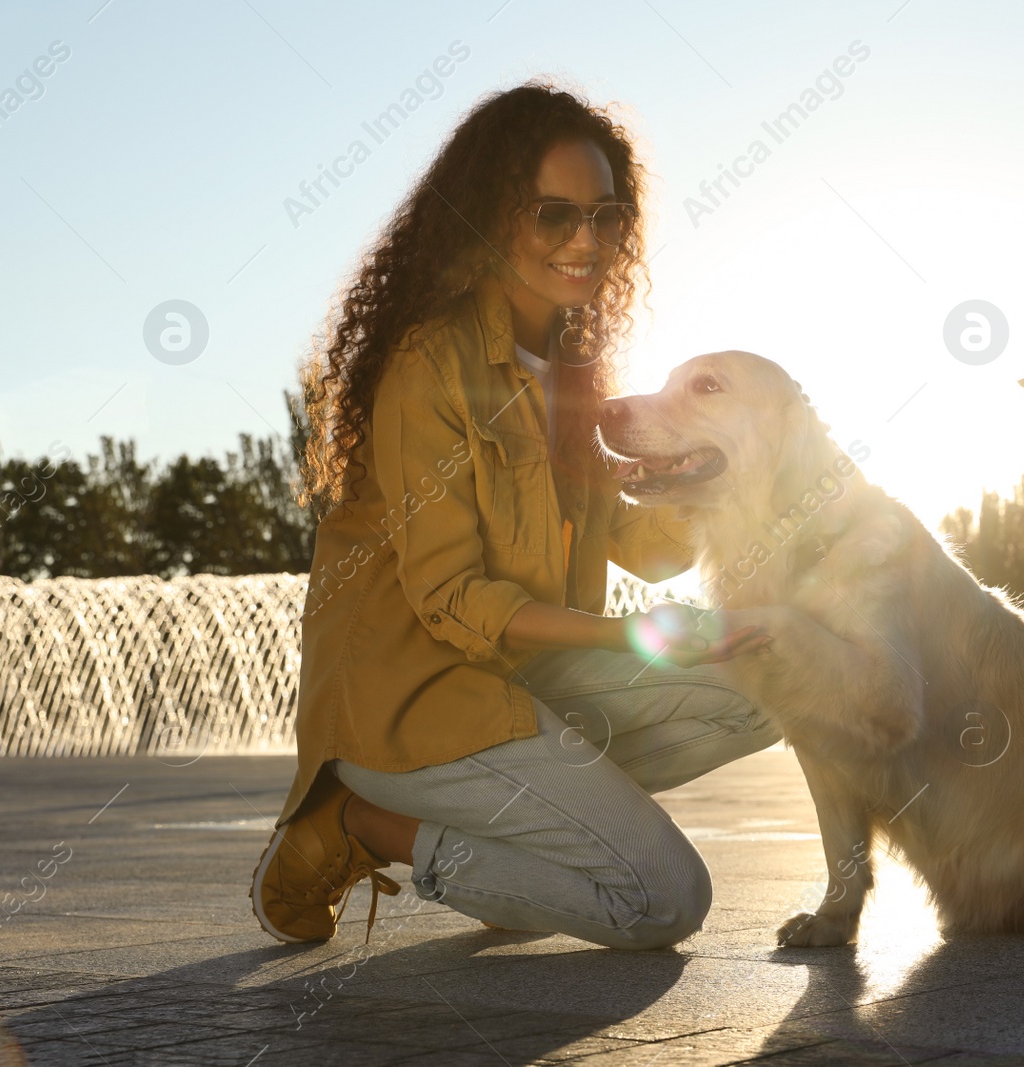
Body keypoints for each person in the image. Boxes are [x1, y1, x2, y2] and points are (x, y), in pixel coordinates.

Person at [249, 82, 778, 952]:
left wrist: (726, 469)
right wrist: (638, 637)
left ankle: (516, 836)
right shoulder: (429, 364)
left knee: (772, 680)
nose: (587, 242)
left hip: (518, 679)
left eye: (606, 217)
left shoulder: (574, 371)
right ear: (490, 219)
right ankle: (357, 824)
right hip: (413, 702)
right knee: (665, 900)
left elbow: (640, 547)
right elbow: (453, 599)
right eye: (554, 215)